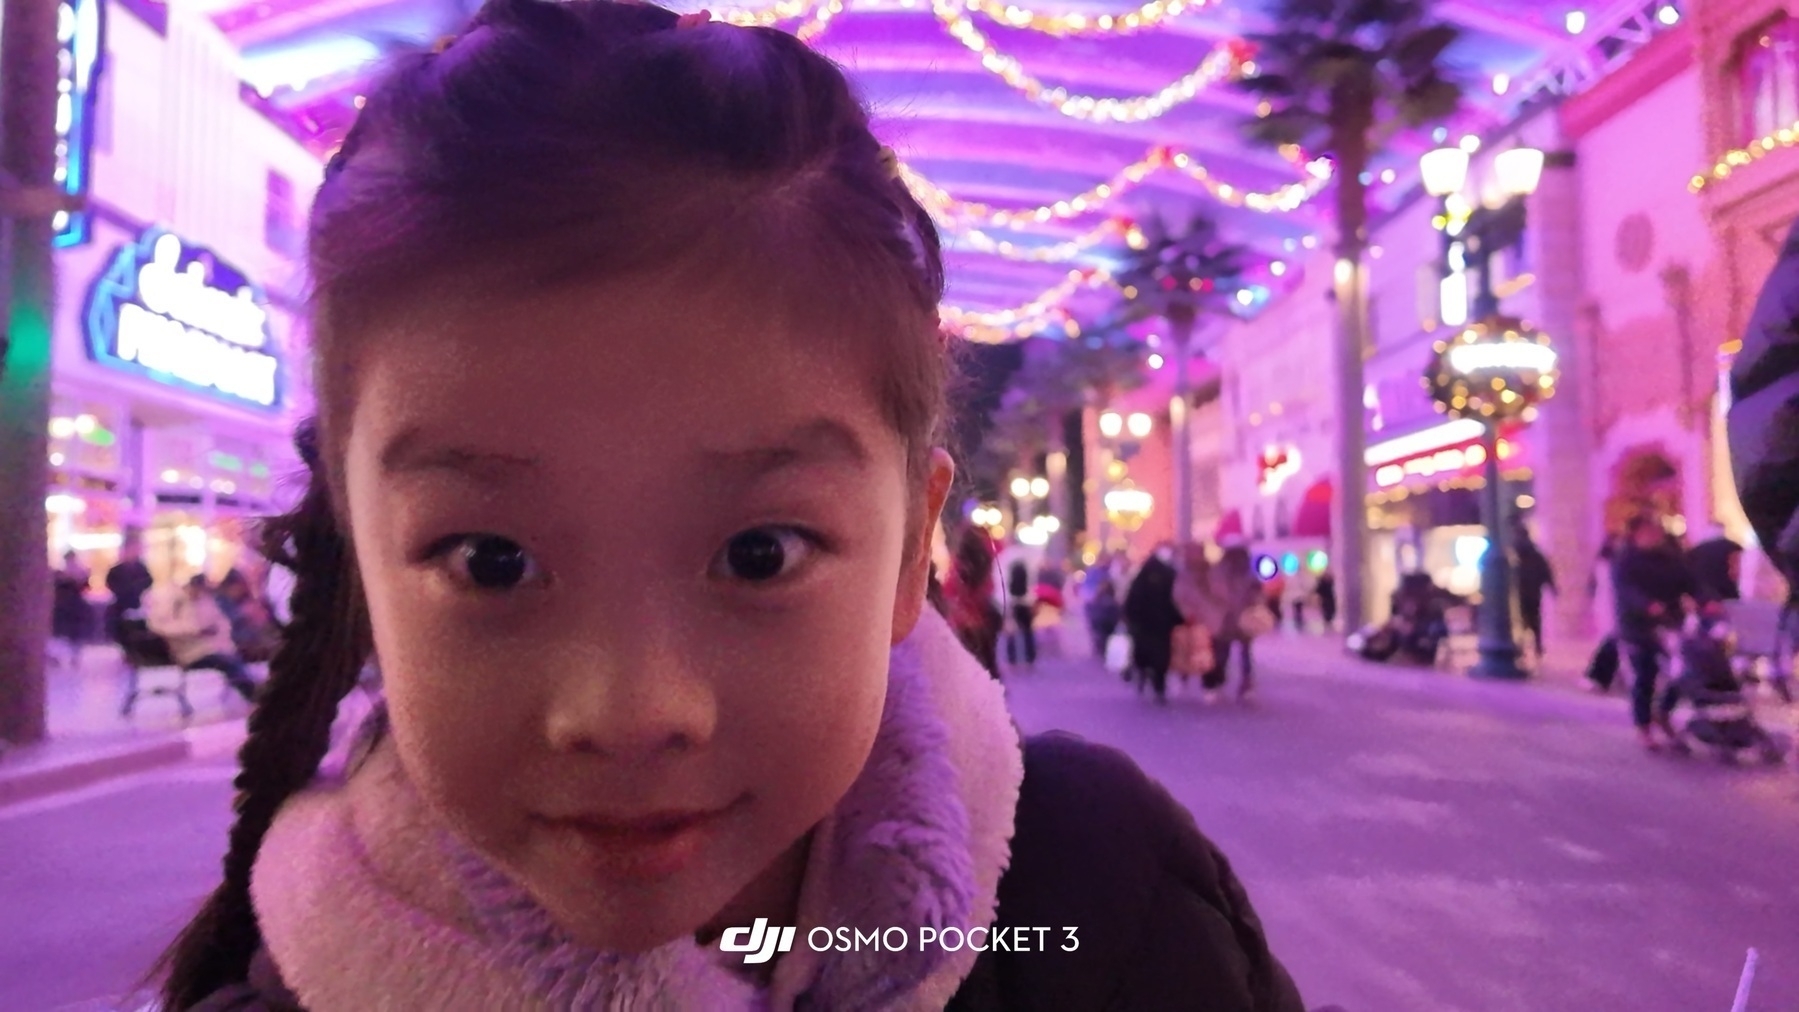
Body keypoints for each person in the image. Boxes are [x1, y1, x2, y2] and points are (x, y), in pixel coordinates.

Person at [153, 10, 1303, 1007]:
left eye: (758, 553)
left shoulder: (1101, 895)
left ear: (911, 548)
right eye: (489, 559)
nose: (631, 710)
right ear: (360, 554)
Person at [1613, 515, 1695, 750]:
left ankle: (1664, 711)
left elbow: (1689, 581)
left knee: (1683, 672)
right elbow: (1626, 590)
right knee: (1645, 677)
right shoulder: (1625, 560)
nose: (1655, 535)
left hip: (1670, 623)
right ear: (1636, 534)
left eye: (1657, 530)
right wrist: (1646, 605)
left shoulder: (1670, 557)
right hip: (1637, 627)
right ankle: (1644, 727)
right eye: (1649, 530)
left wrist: (1705, 598)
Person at [145, 575, 259, 703]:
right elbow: (157, 626)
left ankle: (255, 691)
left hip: (214, 647)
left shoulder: (206, 601)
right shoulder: (174, 602)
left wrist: (223, 641)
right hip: (190, 653)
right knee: (227, 663)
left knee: (235, 658)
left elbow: (221, 623)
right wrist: (193, 631)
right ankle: (254, 695)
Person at [943, 525, 1004, 679]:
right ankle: (993, 687)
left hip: (966, 619)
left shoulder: (959, 564)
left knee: (971, 659)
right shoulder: (986, 560)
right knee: (989, 657)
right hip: (988, 615)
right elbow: (990, 587)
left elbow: (950, 591)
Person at [1123, 545, 1182, 703]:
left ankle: (1143, 678)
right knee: (1161, 658)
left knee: (1144, 655)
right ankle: (1159, 688)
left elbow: (1132, 601)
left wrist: (1130, 619)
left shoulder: (1142, 577)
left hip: (1143, 625)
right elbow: (1174, 601)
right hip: (1162, 625)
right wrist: (1178, 619)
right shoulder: (1169, 575)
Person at [1208, 546, 1267, 702]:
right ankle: (1246, 684)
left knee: (1222, 653)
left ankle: (1219, 683)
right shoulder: (1248, 573)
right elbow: (1257, 594)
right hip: (1242, 618)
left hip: (1225, 619)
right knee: (1244, 653)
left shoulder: (1219, 571)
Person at [1511, 519, 1557, 662]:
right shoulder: (1533, 551)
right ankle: (1536, 646)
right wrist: (1552, 587)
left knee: (1524, 619)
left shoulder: (1517, 552)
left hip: (1524, 589)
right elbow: (1545, 570)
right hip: (1533, 590)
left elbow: (1543, 570)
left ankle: (1523, 647)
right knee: (1534, 619)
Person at [104, 528, 154, 643]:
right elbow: (113, 586)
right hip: (121, 607)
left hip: (139, 607)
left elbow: (147, 585)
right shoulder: (116, 571)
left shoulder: (142, 570)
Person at [50, 551, 92, 667]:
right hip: (65, 607)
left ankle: (73, 656)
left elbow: (85, 587)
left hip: (72, 607)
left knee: (73, 634)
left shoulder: (79, 573)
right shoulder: (60, 574)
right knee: (63, 634)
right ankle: (63, 656)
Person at [1002, 557, 1037, 669]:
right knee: (1028, 633)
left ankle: (1012, 660)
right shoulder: (1027, 580)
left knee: (1011, 634)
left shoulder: (1010, 581)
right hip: (1026, 605)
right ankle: (1029, 659)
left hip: (1013, 605)